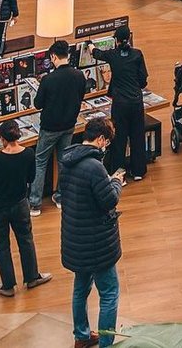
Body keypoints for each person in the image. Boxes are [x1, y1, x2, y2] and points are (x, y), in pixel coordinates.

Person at [60, 116, 125, 348]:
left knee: (81, 288)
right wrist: (116, 182)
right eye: (106, 141)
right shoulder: (95, 167)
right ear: (100, 139)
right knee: (109, 293)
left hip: (75, 239)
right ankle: (107, 343)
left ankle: (82, 335)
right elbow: (109, 201)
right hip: (97, 243)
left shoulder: (67, 159)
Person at [0, 118, 53, 297]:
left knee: (2, 246)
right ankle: (31, 277)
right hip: (21, 204)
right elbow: (31, 177)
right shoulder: (28, 154)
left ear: (1, 138)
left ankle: (8, 285)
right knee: (26, 241)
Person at [30, 38, 88, 214]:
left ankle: (35, 203)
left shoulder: (48, 79)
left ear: (54, 57)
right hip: (69, 125)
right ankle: (61, 197)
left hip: (49, 127)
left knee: (40, 162)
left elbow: (38, 104)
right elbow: (81, 96)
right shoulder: (79, 76)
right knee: (64, 160)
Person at [93, 24, 149, 181]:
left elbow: (97, 53)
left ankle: (119, 175)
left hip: (120, 103)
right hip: (136, 102)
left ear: (116, 41)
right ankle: (138, 171)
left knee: (119, 138)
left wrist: (90, 45)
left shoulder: (112, 55)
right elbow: (143, 80)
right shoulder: (137, 54)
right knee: (137, 135)